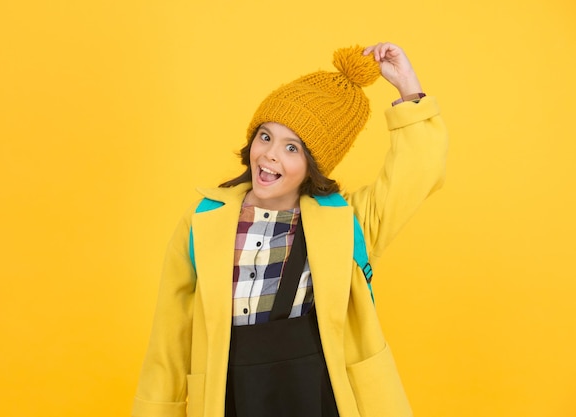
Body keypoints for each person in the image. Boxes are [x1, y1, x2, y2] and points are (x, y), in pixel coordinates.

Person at [133, 42, 448, 417]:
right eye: (265, 137)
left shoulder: (346, 223)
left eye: (292, 148)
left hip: (319, 398)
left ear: (314, 164)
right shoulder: (203, 221)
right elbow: (168, 339)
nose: (269, 155)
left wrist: (408, 90)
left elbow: (417, 173)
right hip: (229, 398)